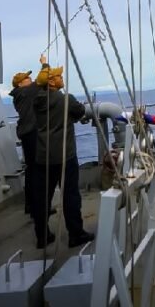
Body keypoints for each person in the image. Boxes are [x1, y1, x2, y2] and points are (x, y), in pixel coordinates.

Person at [32, 63, 94, 249]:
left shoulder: (37, 101)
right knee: (70, 196)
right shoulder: (65, 99)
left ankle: (42, 236)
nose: (61, 78)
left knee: (43, 198)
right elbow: (80, 111)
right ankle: (76, 234)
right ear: (51, 81)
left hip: (43, 156)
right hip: (65, 156)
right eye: (58, 76)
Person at [9, 65, 37, 217]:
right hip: (31, 134)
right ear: (20, 84)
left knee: (32, 170)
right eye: (27, 78)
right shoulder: (24, 92)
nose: (30, 79)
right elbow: (40, 82)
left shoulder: (22, 93)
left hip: (27, 133)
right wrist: (44, 64)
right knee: (34, 171)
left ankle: (31, 205)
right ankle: (34, 207)